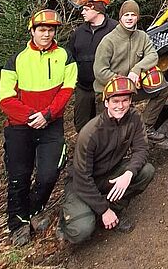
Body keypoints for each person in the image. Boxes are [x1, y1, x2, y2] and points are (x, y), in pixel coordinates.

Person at [0, 9, 77, 245]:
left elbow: (67, 89)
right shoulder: (16, 60)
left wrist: (48, 115)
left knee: (48, 173)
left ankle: (33, 210)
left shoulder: (65, 56)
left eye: (51, 30)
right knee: (18, 177)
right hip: (20, 128)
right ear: (32, 31)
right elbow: (5, 99)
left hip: (51, 125)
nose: (46, 34)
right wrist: (33, 116)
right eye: (42, 29)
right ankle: (17, 224)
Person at [57, 76, 155, 244]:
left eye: (125, 100)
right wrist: (103, 210)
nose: (120, 105)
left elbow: (141, 149)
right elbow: (82, 178)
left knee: (146, 171)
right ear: (107, 102)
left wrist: (129, 173)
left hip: (109, 175)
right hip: (82, 183)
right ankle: (67, 219)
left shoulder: (134, 118)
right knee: (82, 230)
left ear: (130, 100)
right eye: (115, 101)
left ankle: (114, 210)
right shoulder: (90, 132)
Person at [93, 0, 168, 142]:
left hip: (133, 89)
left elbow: (153, 55)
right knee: (110, 136)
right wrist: (124, 83)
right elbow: (100, 72)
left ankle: (146, 127)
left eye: (133, 15)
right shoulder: (108, 41)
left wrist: (136, 70)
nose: (129, 18)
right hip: (109, 92)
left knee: (164, 88)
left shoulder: (142, 36)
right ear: (120, 17)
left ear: (137, 17)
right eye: (126, 15)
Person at [68, 0, 117, 132]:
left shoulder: (115, 29)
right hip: (83, 88)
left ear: (96, 8)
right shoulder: (78, 33)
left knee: (107, 127)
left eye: (86, 9)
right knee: (82, 127)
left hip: (106, 88)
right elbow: (71, 58)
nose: (82, 12)